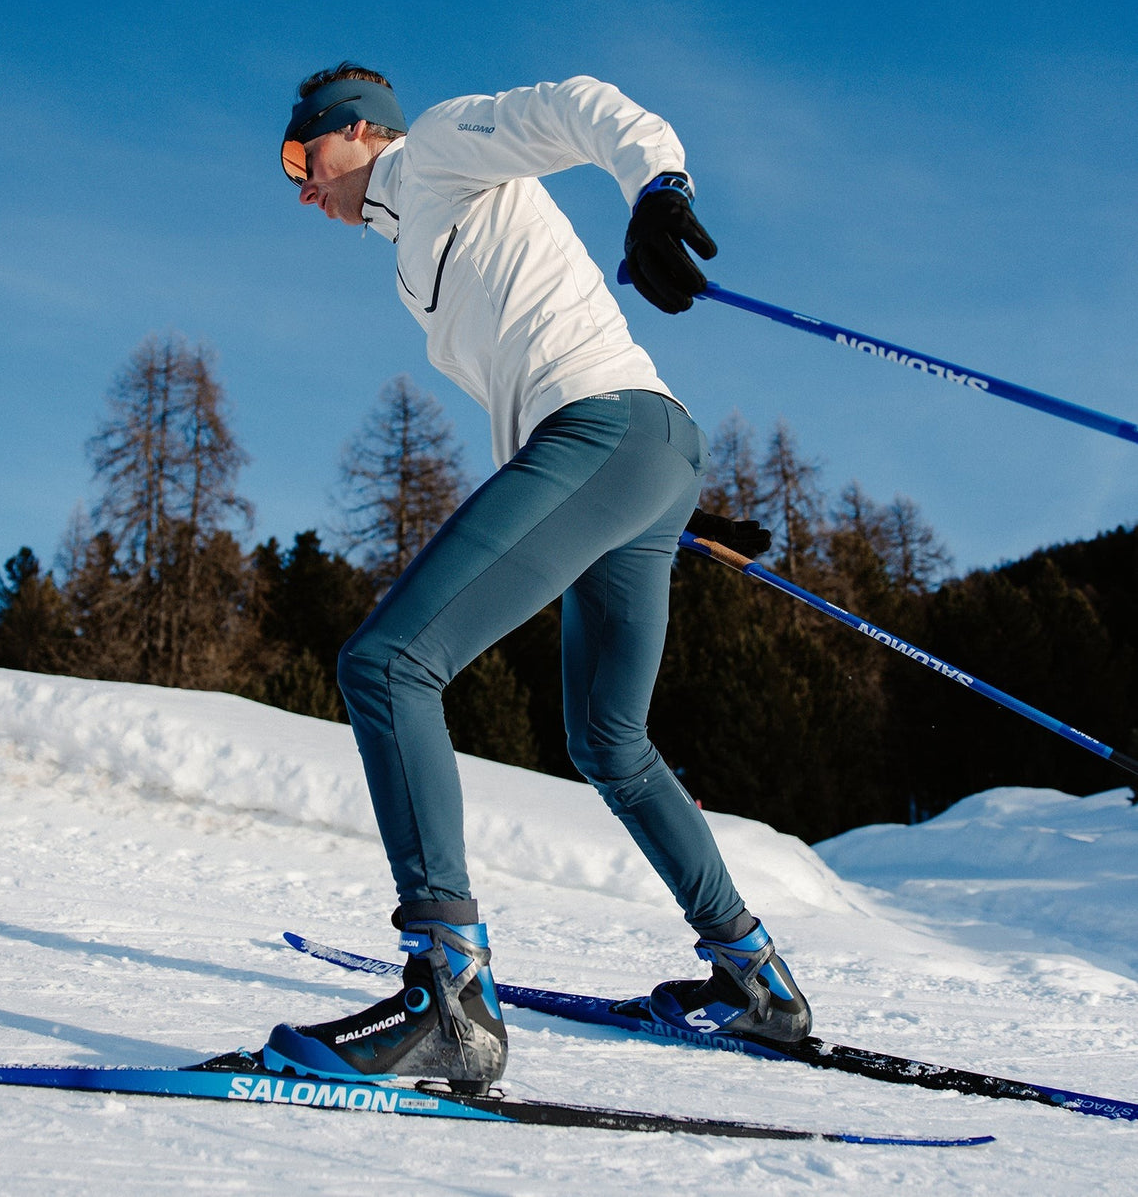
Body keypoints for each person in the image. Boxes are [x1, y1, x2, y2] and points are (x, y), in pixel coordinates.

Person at [263, 62, 811, 1091]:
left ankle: (450, 1000)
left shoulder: (434, 151)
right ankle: (753, 979)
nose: (300, 184)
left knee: (386, 664)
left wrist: (657, 189)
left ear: (359, 131)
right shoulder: (412, 250)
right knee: (607, 740)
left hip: (605, 433)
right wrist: (663, 497)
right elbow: (541, 357)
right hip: (634, 448)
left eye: (303, 154)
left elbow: (582, 108)